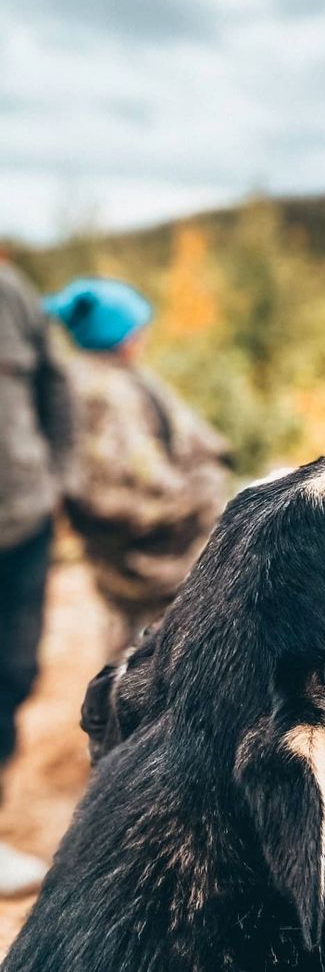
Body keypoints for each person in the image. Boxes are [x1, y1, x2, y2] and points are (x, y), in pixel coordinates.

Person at [44, 277, 232, 655]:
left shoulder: (102, 380)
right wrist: (205, 494)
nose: (143, 337)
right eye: (138, 329)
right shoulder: (103, 394)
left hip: (139, 562)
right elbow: (129, 494)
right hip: (155, 564)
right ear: (120, 336)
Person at [0, 259, 74, 896]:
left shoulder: (11, 290)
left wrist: (56, 478)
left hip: (21, 520)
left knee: (13, 672)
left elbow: (54, 387)